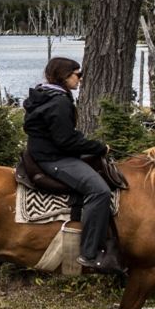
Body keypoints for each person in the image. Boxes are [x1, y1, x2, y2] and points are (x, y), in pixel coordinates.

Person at [22, 56, 119, 273]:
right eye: (78, 74)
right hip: (53, 159)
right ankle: (89, 253)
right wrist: (99, 147)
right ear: (63, 76)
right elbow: (65, 140)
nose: (80, 79)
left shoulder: (45, 94)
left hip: (44, 153)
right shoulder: (59, 101)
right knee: (100, 191)